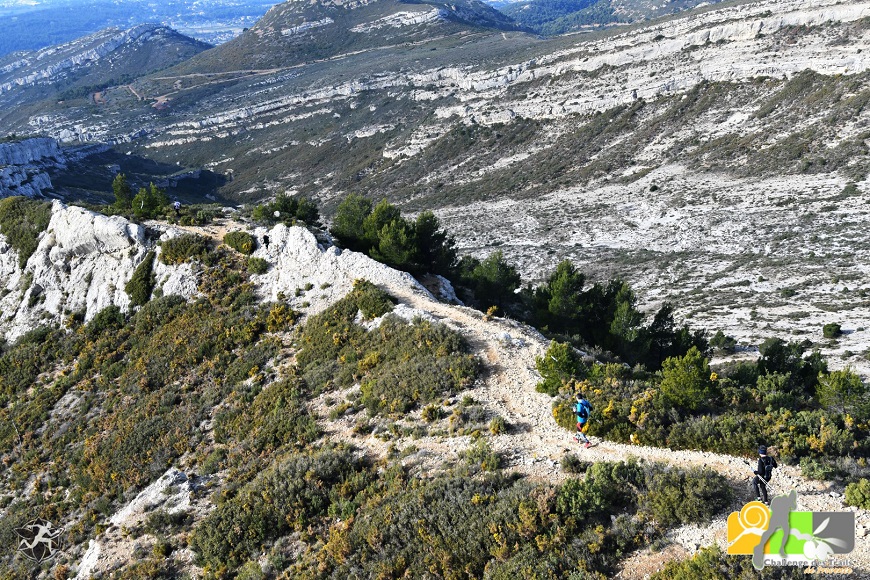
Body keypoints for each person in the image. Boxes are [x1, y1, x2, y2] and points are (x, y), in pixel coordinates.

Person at [752, 489, 796, 570]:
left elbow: (793, 507)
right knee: (769, 533)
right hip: (776, 518)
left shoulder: (789, 501)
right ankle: (760, 547)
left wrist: (790, 503)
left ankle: (781, 549)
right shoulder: (778, 500)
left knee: (786, 533)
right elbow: (773, 507)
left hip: (784, 520)